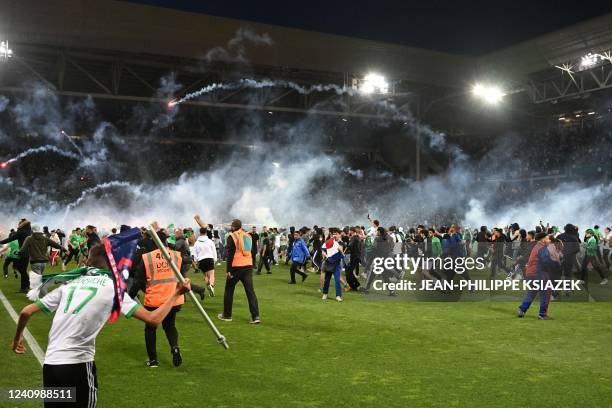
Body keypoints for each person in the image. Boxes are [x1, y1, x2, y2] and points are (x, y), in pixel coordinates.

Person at [11, 244, 191, 407]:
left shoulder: (70, 284)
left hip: (51, 365)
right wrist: (176, 294)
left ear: (88, 261)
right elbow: (153, 319)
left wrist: (16, 339)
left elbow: (26, 311)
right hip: (78, 365)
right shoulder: (113, 288)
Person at [131, 232, 186, 368]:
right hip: (173, 298)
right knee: (170, 325)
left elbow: (138, 280)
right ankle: (174, 347)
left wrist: (130, 295)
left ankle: (153, 360)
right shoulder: (176, 255)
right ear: (166, 241)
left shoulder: (147, 258)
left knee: (150, 329)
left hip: (154, 299)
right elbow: (182, 276)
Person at [218, 219, 260, 324]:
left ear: (233, 226)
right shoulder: (247, 235)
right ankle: (255, 317)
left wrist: (228, 270)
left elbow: (230, 254)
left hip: (236, 267)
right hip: (248, 266)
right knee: (250, 292)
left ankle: (227, 315)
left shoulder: (231, 236)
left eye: (231, 225)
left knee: (229, 290)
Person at [518, 233, 560, 320]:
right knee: (546, 292)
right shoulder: (542, 248)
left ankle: (522, 309)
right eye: (548, 239)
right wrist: (556, 265)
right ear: (543, 239)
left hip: (530, 273)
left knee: (533, 291)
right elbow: (546, 261)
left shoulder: (536, 246)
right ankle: (542, 314)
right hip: (538, 273)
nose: (549, 240)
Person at [20, 224, 67, 291]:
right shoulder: (45, 238)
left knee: (37, 282)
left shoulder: (29, 238)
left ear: (32, 230)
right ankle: (39, 294)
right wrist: (64, 249)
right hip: (43, 263)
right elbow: (56, 244)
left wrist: (17, 252)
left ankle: (40, 296)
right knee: (38, 278)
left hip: (35, 262)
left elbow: (22, 250)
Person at [170, 228, 206, 299]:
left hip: (183, 262)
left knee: (181, 280)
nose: (174, 235)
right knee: (181, 280)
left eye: (175, 233)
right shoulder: (182, 240)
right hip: (185, 262)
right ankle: (186, 295)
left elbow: (176, 247)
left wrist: (168, 243)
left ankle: (198, 290)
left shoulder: (180, 240)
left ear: (179, 234)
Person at [0, 219, 32, 292]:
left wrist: (1, 242)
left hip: (22, 253)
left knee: (22, 270)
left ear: (22, 224)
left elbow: (10, 239)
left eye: (19, 223)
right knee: (22, 269)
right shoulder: (30, 231)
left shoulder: (21, 232)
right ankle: (25, 287)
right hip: (27, 253)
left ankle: (26, 286)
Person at [192, 226, 217, 297]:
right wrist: (215, 259)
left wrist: (196, 261)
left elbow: (194, 253)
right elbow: (214, 251)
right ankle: (211, 286)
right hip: (209, 258)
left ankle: (209, 288)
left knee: (206, 275)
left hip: (201, 260)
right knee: (211, 275)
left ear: (200, 233)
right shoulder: (210, 241)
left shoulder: (197, 242)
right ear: (206, 232)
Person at [321, 229, 345, 302]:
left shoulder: (341, 243)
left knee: (337, 280)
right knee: (327, 280)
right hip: (329, 263)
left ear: (339, 235)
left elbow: (342, 253)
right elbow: (322, 251)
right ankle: (325, 294)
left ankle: (338, 296)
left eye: (337, 234)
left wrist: (341, 250)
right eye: (334, 234)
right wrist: (327, 256)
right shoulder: (328, 242)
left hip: (337, 264)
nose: (336, 235)